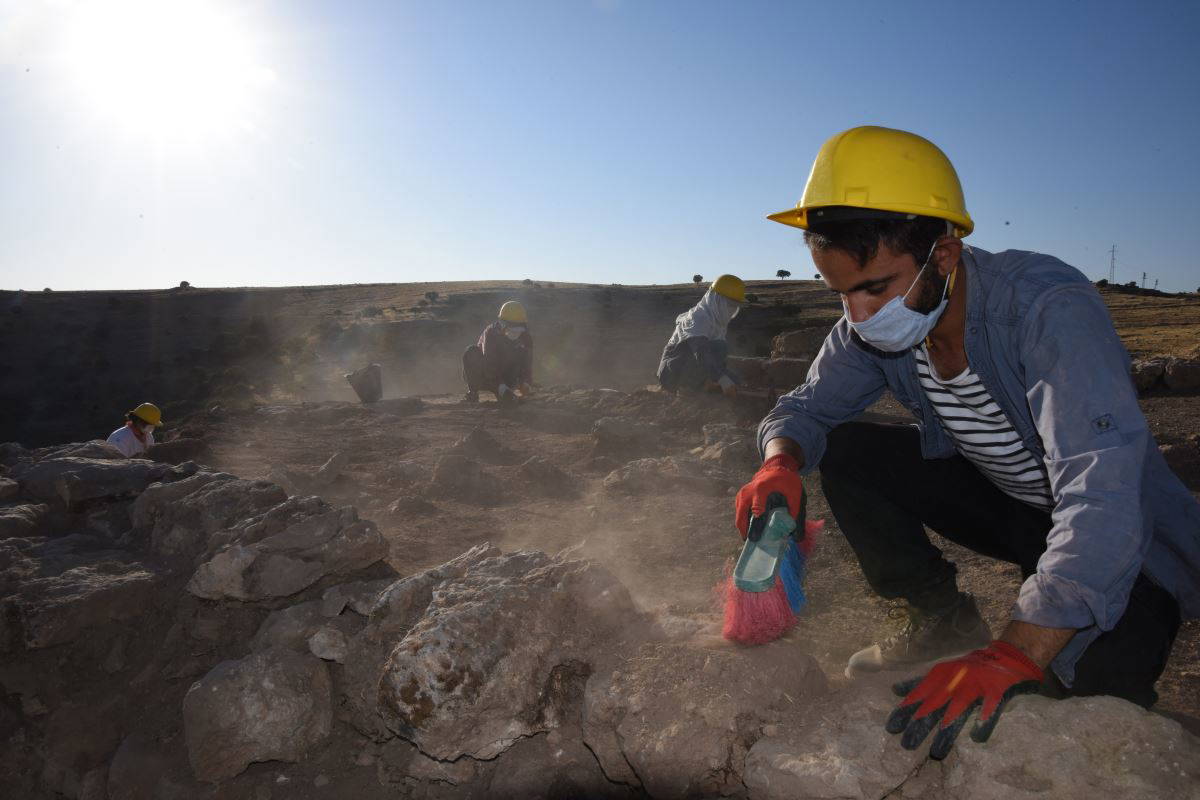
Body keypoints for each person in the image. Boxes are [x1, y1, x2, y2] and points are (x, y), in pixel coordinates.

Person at [737, 125, 1199, 759]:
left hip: (1125, 539)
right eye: (841, 292)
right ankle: (938, 619)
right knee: (848, 448)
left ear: (945, 255)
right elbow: (806, 409)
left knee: (1080, 704)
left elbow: (1104, 492)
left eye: (877, 286)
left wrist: (1015, 651)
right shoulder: (872, 329)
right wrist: (778, 463)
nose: (860, 316)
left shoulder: (1045, 307)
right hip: (1009, 506)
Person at [657, 274, 745, 397]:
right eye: (729, 304)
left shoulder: (717, 323)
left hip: (693, 367)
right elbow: (701, 352)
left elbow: (716, 357)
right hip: (672, 372)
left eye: (735, 306)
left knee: (735, 380)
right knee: (718, 348)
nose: (731, 310)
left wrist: (726, 377)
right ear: (717, 299)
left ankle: (704, 384)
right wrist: (722, 379)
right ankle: (685, 388)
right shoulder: (699, 318)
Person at [462, 301, 533, 404]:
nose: (515, 333)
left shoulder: (526, 337)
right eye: (512, 330)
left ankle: (506, 391)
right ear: (502, 325)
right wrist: (501, 389)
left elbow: (527, 364)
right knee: (471, 352)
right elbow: (490, 367)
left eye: (518, 330)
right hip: (486, 376)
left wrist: (526, 383)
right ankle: (473, 393)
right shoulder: (491, 334)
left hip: (508, 377)